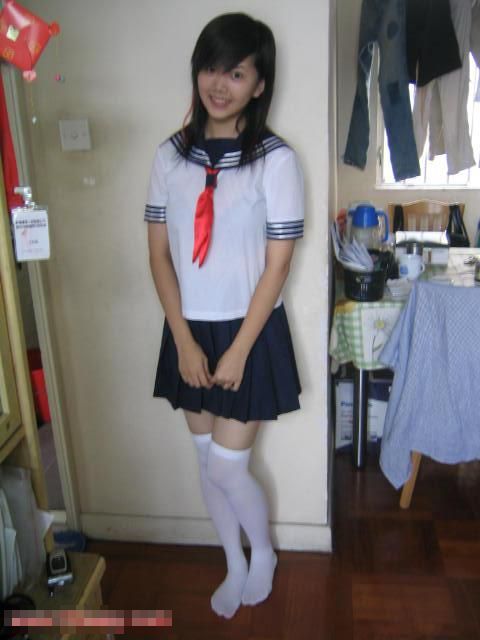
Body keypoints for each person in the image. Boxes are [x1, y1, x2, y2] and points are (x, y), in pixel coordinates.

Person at [144, 12, 304, 619]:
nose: (220, 84)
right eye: (211, 68)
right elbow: (159, 255)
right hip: (189, 329)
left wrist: (237, 350)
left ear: (258, 84)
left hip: (249, 331)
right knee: (206, 462)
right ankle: (233, 561)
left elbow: (278, 265)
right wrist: (184, 340)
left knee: (230, 466)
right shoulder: (169, 156)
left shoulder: (276, 161)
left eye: (236, 73)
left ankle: (263, 553)